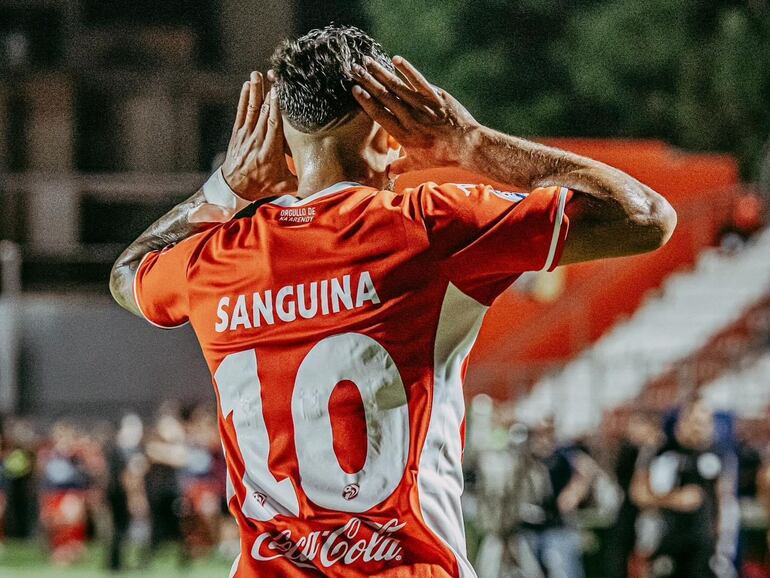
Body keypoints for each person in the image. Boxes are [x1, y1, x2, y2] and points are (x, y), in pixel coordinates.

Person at [109, 24, 676, 578]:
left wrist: (226, 188)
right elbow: (646, 217)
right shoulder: (429, 227)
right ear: (385, 135)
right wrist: (472, 144)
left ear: (281, 146)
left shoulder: (218, 258)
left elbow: (126, 274)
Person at [631, 398, 739, 578]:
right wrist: (673, 499)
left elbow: (725, 502)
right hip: (664, 542)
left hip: (703, 546)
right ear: (683, 421)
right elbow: (638, 494)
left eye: (706, 422)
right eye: (695, 422)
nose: (701, 428)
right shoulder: (660, 450)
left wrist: (723, 546)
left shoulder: (719, 454)